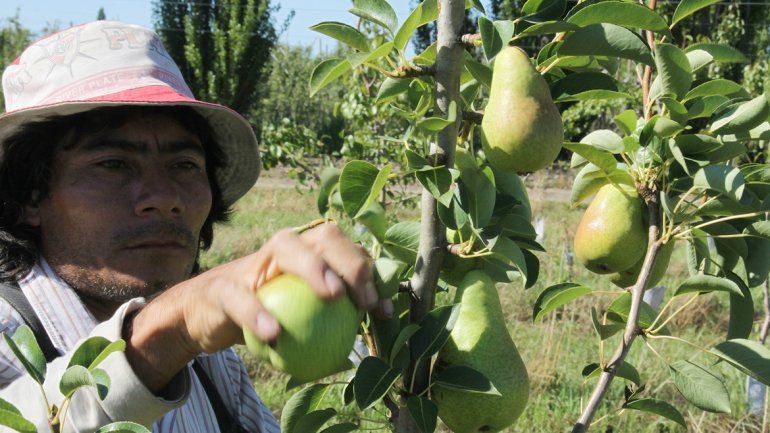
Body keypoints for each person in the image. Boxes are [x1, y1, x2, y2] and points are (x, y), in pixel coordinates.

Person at [0, 20, 389, 432]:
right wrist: (168, 330)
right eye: (113, 164)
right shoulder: (10, 335)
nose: (164, 197)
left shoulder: (210, 358)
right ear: (28, 197)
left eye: (184, 165)